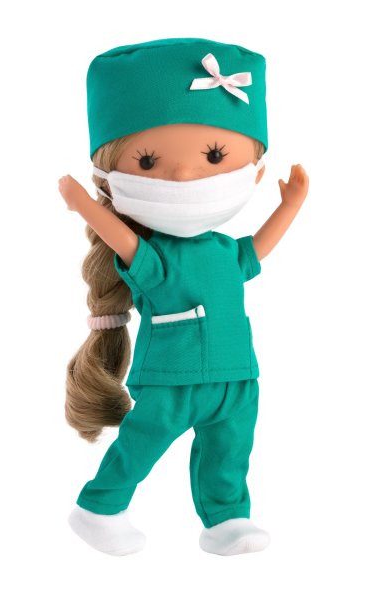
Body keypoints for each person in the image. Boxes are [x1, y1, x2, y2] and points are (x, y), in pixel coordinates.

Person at [58, 37, 309, 557]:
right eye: (148, 161)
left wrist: (290, 206)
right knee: (141, 444)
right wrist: (84, 205)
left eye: (215, 156)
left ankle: (227, 519)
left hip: (237, 374)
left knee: (230, 449)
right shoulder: (155, 256)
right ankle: (99, 509)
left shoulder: (224, 249)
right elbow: (121, 239)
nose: (185, 175)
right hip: (171, 376)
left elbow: (258, 249)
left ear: (256, 166)